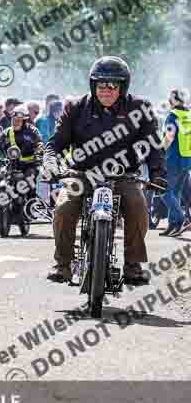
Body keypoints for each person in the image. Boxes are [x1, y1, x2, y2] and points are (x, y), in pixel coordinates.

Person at [44, 56, 167, 285]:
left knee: (139, 207)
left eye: (113, 85)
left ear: (123, 86)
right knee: (63, 207)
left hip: (123, 175)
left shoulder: (140, 108)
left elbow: (154, 146)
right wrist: (51, 165)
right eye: (101, 85)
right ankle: (62, 264)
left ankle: (133, 265)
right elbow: (55, 144)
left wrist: (158, 173)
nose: (106, 90)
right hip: (82, 174)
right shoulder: (76, 108)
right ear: (93, 85)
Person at [0, 104, 43, 198]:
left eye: (18, 120)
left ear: (24, 121)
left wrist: (38, 155)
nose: (15, 122)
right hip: (12, 166)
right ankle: (0, 208)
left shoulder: (33, 131)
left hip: (29, 165)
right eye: (14, 120)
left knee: (32, 182)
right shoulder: (7, 132)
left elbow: (39, 145)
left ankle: (31, 205)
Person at [158, 88, 191, 236]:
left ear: (176, 100)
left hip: (174, 160)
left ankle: (181, 218)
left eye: (171, 99)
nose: (169, 101)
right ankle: (174, 225)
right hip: (187, 160)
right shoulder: (188, 115)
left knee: (162, 191)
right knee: (175, 192)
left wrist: (160, 151)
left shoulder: (173, 116)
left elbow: (169, 137)